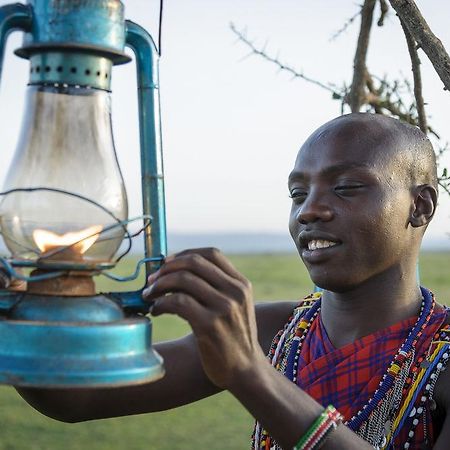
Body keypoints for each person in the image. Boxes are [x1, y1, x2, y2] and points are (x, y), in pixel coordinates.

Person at [17, 113, 450, 450]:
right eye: (298, 194)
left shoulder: (442, 358)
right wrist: (19, 315)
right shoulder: (273, 332)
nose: (308, 211)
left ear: (420, 206)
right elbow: (75, 400)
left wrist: (250, 373)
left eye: (347, 187)